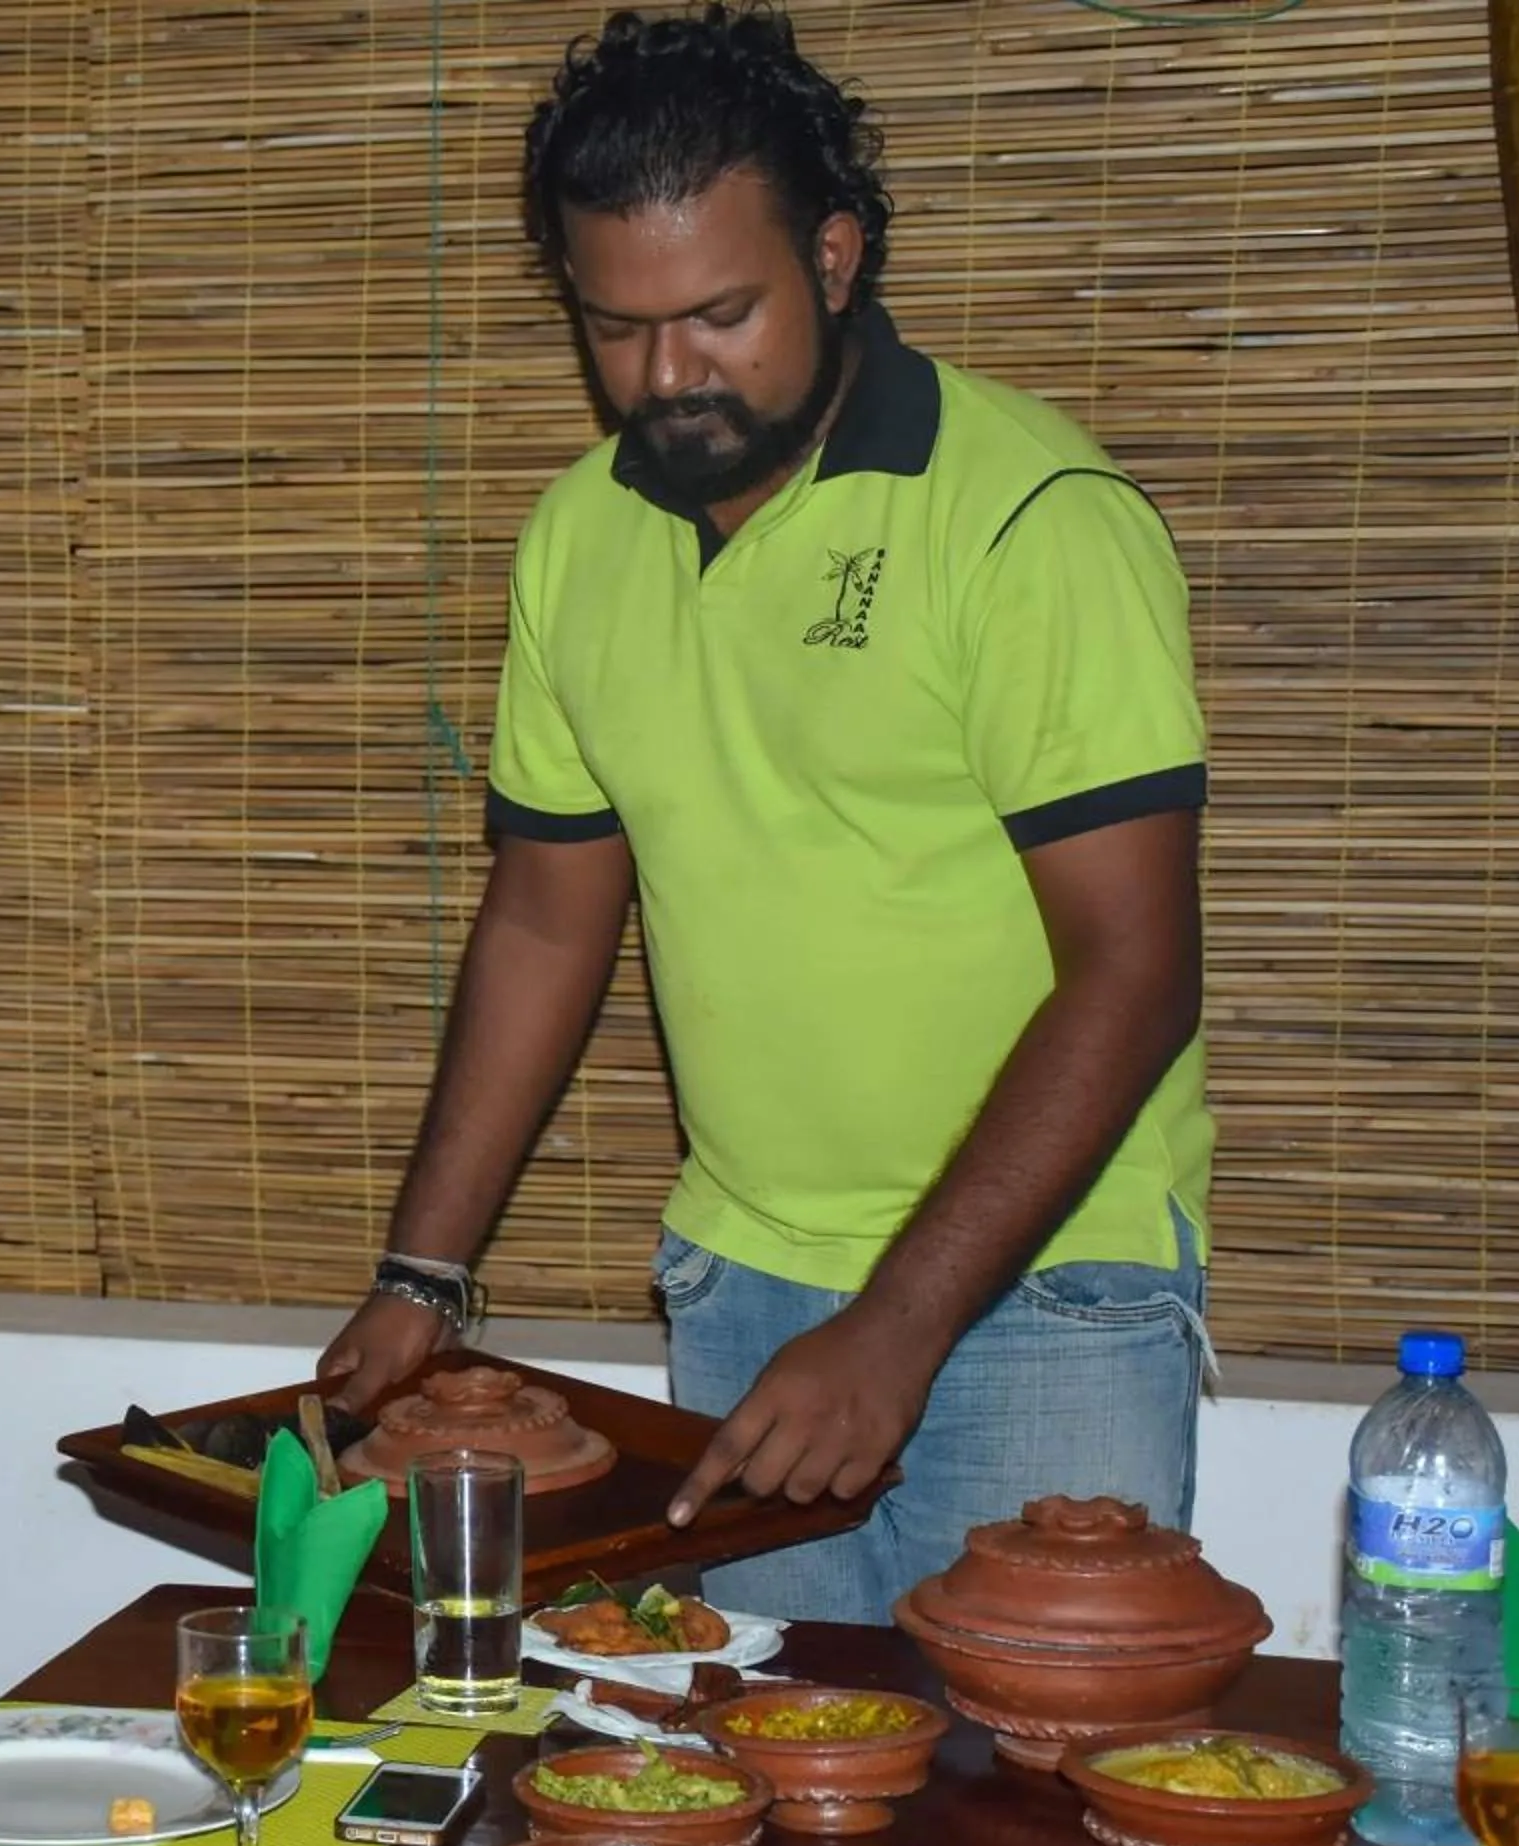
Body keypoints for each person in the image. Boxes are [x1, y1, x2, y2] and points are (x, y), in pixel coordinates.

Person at [317, 2, 1214, 1626]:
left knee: (1031, 1826)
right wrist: (422, 1274)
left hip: (1046, 1297)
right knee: (759, 1802)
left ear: (839, 257)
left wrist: (898, 1326)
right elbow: (543, 916)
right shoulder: (578, 542)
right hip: (739, 1289)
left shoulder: (1030, 524)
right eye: (617, 327)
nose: (669, 378)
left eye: (722, 314)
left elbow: (1134, 970)